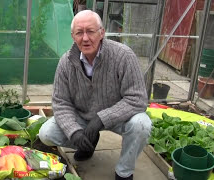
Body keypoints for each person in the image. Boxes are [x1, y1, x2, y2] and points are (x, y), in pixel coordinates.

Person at [39, 10, 151, 180]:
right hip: (82, 117)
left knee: (141, 124)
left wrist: (101, 119)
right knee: (46, 133)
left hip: (118, 118)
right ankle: (86, 144)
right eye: (79, 32)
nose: (85, 38)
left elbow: (137, 99)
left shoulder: (123, 56)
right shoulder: (66, 62)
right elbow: (61, 102)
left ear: (102, 33)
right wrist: (74, 132)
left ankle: (124, 171)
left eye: (90, 31)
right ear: (72, 36)